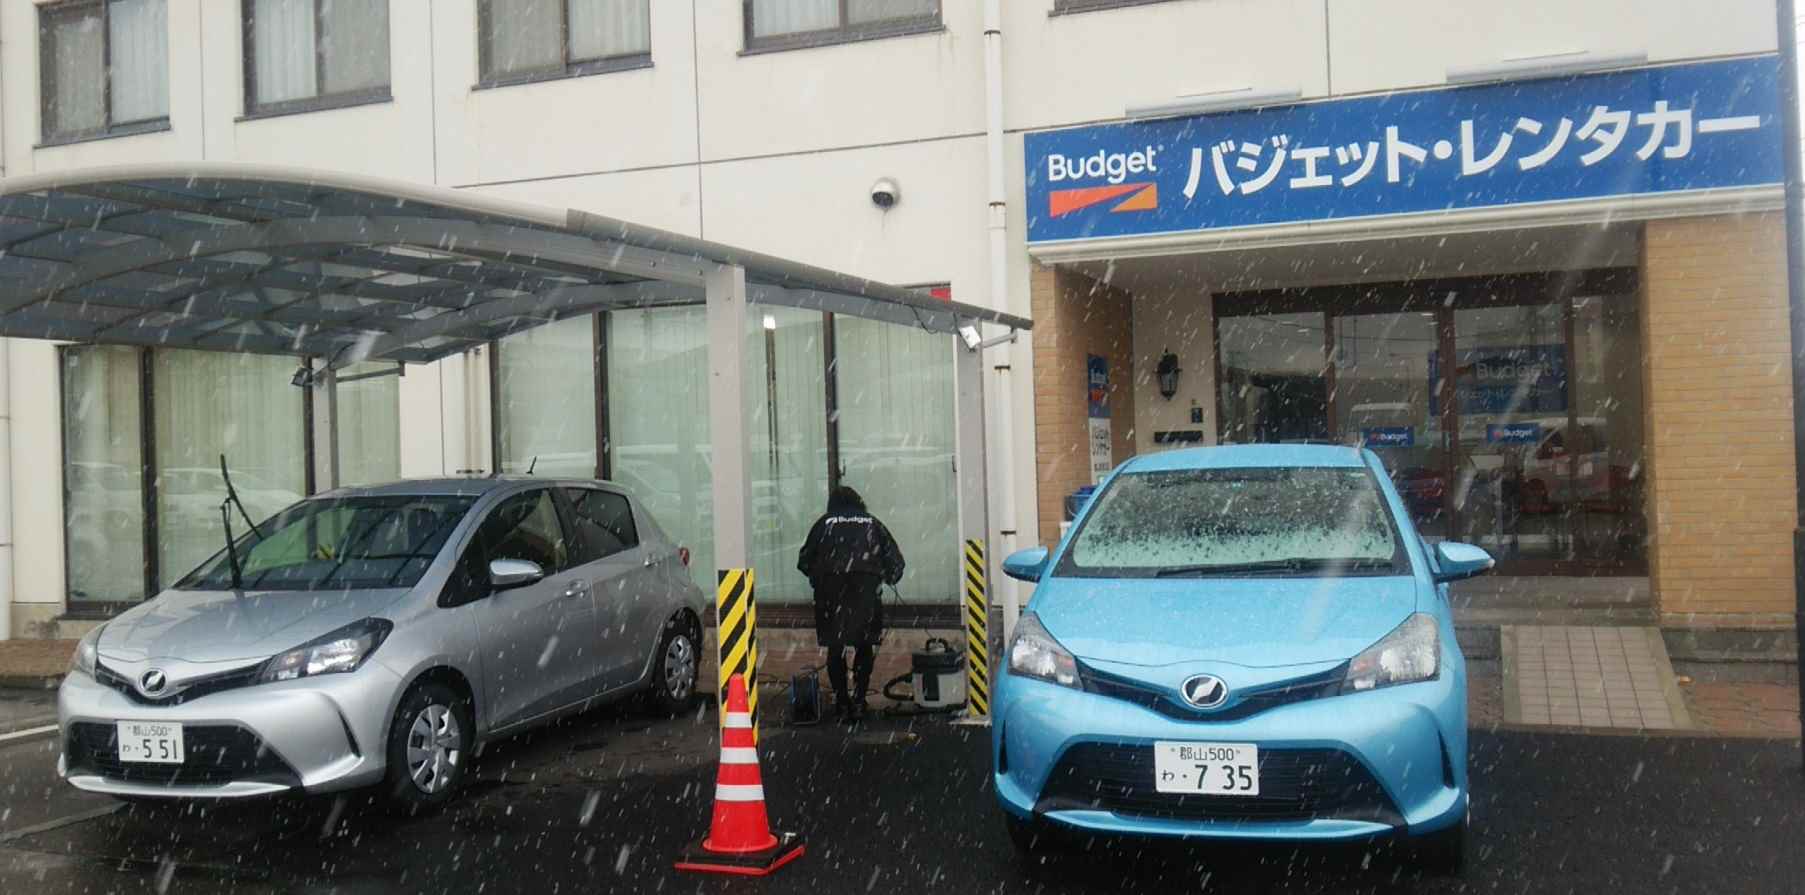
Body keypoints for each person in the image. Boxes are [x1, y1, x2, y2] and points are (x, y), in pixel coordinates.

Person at [796, 485, 905, 722]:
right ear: (859, 502)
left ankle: (842, 702)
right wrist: (885, 576)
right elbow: (896, 563)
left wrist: (819, 578)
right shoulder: (871, 523)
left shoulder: (824, 524)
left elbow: (804, 561)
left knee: (836, 648)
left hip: (830, 592)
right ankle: (859, 700)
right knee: (864, 645)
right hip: (865, 591)